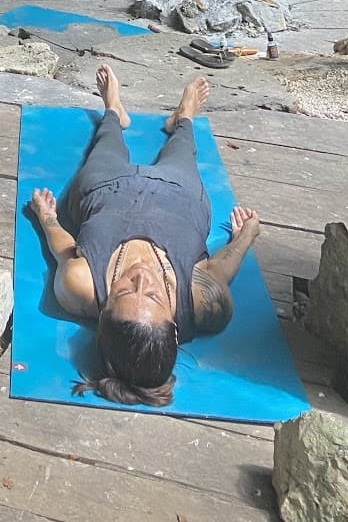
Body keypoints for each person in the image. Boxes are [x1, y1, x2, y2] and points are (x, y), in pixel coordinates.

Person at [28, 65, 261, 407]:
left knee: (106, 144)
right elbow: (218, 271)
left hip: (105, 190)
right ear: (175, 325)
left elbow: (63, 250)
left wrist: (47, 217)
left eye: (123, 291)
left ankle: (112, 110)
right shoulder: (205, 305)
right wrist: (246, 237)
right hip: (179, 197)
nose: (140, 279)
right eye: (153, 296)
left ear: (104, 314)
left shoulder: (81, 287)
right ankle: (184, 117)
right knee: (182, 150)